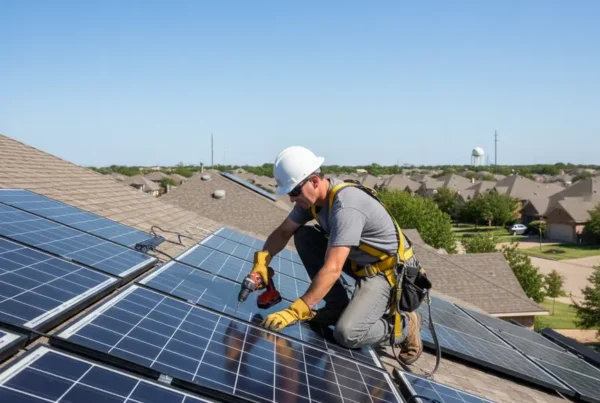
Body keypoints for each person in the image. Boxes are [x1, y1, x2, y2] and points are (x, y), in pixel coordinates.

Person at [248, 145, 424, 365]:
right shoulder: (312, 200)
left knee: (347, 334)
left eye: (294, 192)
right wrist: (262, 261)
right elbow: (284, 231)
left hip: (386, 273)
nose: (292, 199)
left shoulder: (345, 207)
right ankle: (337, 306)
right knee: (303, 235)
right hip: (359, 261)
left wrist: (296, 311)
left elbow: (333, 268)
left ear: (313, 181)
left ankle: (406, 325)